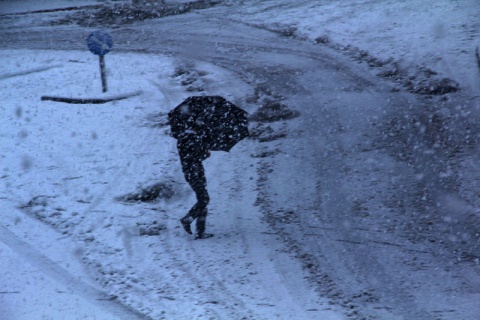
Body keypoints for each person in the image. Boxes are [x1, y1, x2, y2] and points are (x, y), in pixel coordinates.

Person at [176, 123, 213, 240]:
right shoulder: (192, 138)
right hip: (195, 173)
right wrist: (205, 153)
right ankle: (188, 219)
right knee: (204, 199)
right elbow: (195, 156)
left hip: (190, 173)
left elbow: (189, 157)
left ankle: (200, 232)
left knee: (202, 200)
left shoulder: (182, 139)